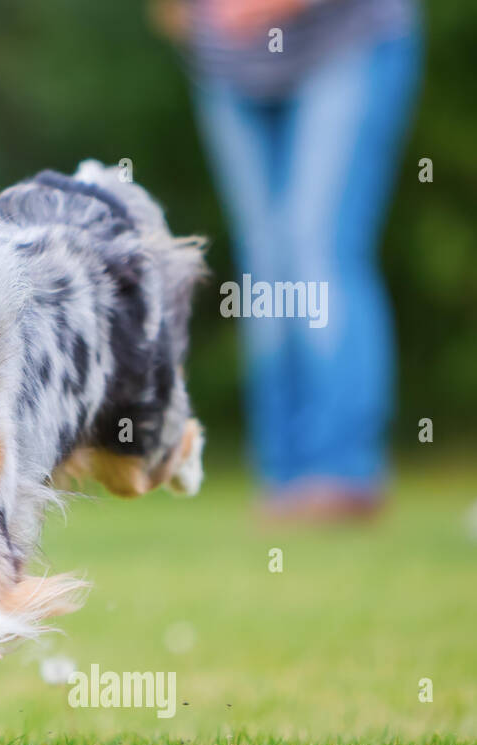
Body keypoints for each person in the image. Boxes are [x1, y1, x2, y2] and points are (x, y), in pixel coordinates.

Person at [156, 0, 422, 519]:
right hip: (230, 65)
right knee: (265, 262)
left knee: (316, 246)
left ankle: (341, 473)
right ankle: (286, 474)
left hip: (345, 41)